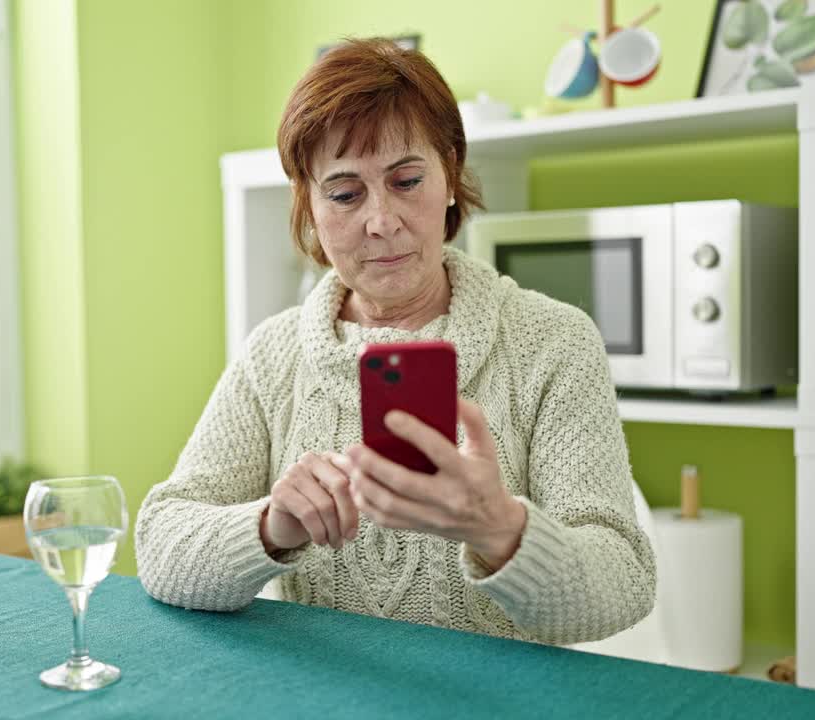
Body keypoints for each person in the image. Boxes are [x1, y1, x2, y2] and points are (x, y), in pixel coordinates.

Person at [135, 37, 654, 644]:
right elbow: (161, 546)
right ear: (309, 205)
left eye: (406, 181)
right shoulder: (273, 355)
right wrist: (270, 526)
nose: (381, 220)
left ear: (452, 176)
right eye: (345, 193)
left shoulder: (554, 343)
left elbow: (625, 582)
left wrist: (502, 531)